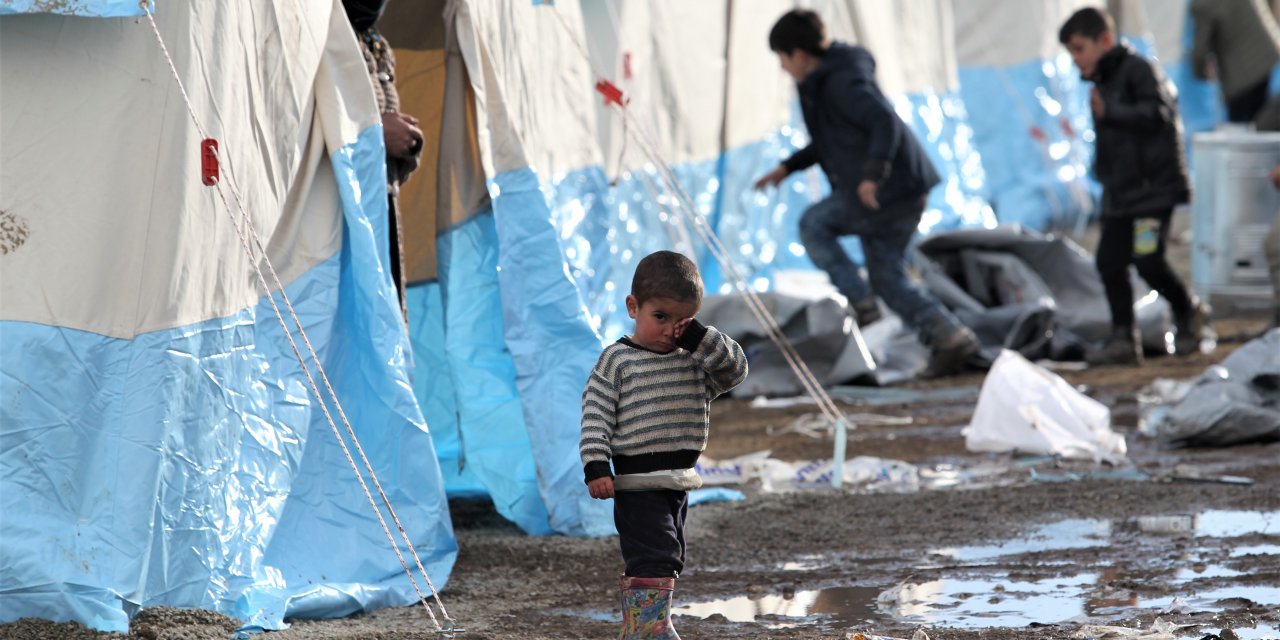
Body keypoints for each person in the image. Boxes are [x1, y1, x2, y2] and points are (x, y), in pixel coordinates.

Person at [753, 9, 981, 378]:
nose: (782, 69)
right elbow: (831, 138)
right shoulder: (824, 81)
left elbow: (882, 122)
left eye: (781, 59)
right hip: (899, 189)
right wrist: (788, 167)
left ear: (798, 54)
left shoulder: (841, 83)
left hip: (886, 191)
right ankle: (951, 337)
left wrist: (873, 175)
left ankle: (864, 305)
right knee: (888, 277)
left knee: (814, 224)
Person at [580, 250, 748, 639]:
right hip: (638, 482)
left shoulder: (694, 359)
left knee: (669, 557)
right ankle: (649, 629)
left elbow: (736, 370)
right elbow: (595, 416)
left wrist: (699, 338)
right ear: (633, 307)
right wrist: (596, 464)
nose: (671, 329)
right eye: (661, 317)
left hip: (677, 481)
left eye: (682, 320)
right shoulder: (618, 361)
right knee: (655, 554)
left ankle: (642, 626)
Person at [1060, 7, 1210, 365]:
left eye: (1080, 49)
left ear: (1105, 40)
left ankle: (1187, 309)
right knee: (1109, 262)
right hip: (1121, 195)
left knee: (1147, 260)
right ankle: (1123, 337)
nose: (1077, 59)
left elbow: (1158, 115)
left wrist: (1112, 113)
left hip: (1151, 193)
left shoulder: (1138, 71)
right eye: (1072, 53)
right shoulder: (1102, 84)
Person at [343, 0, 423, 318]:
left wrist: (403, 143)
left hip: (380, 210)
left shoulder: (376, 44)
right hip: (337, 222)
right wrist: (378, 136)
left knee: (385, 320)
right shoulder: (324, 34)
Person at [1189, 0, 1280, 124]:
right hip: (1270, 55)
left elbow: (1200, 50)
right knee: (1266, 121)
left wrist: (1200, 73)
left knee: (1243, 130)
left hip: (1244, 73)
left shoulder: (1203, 3)